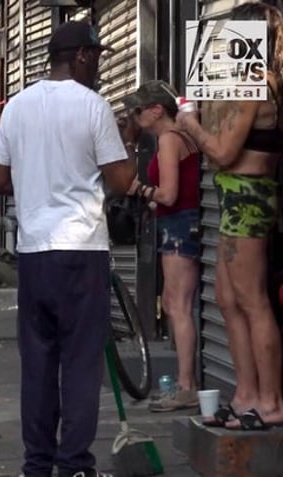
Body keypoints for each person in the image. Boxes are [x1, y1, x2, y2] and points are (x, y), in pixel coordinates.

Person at [0, 21, 136, 477]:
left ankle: (37, 464)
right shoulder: (93, 107)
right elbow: (122, 181)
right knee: (79, 361)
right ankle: (74, 464)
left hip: (34, 253)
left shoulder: (17, 107)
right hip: (82, 250)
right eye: (99, 58)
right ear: (84, 56)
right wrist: (127, 142)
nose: (99, 67)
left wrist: (37, 181)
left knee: (37, 361)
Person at [177, 2, 283, 430]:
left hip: (248, 199)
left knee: (252, 300)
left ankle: (270, 400)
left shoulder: (257, 82)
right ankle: (245, 394)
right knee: (226, 297)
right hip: (234, 197)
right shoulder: (248, 82)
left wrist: (190, 123)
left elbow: (221, 151)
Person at [121, 80, 202, 413]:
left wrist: (138, 188)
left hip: (179, 226)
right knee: (172, 302)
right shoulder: (175, 139)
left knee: (178, 305)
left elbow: (168, 194)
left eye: (138, 110)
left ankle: (186, 386)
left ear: (157, 110)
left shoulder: (169, 140)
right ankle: (185, 384)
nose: (134, 115)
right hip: (177, 221)